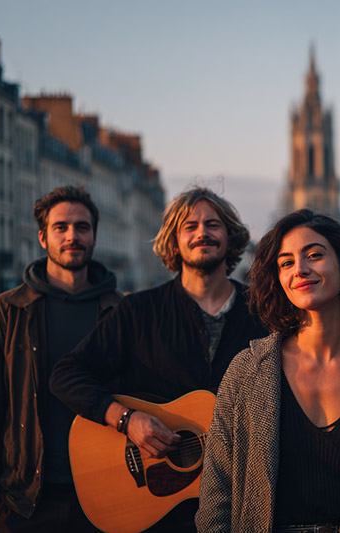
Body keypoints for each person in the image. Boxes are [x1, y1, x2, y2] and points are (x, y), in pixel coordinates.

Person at [195, 209, 340, 532]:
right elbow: (215, 500)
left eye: (314, 255)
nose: (300, 270)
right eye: (286, 263)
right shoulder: (246, 372)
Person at [49, 187, 267, 530]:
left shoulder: (266, 315)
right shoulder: (137, 312)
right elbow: (66, 374)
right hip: (159, 513)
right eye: (189, 226)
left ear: (231, 236)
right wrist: (126, 420)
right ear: (174, 241)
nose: (202, 233)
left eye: (213, 224)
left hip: (242, 509)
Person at [0, 185, 121, 532]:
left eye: (82, 227)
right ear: (42, 238)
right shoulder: (8, 311)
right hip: (24, 504)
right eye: (60, 227)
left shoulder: (118, 311)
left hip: (107, 498)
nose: (72, 236)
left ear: (94, 236)